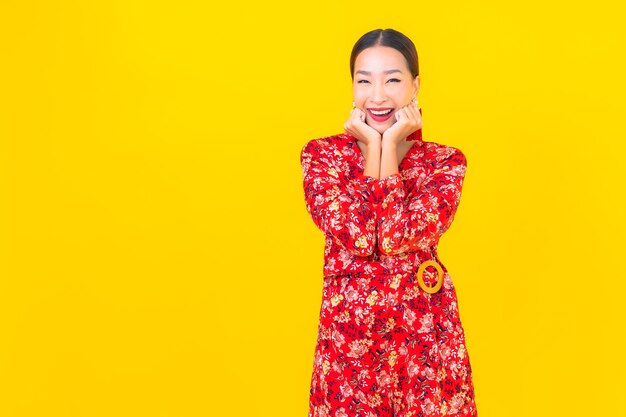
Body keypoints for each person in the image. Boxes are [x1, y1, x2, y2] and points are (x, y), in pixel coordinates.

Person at [299, 28, 478, 417]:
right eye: (364, 81)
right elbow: (362, 238)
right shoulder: (322, 157)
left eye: (392, 80)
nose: (377, 95)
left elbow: (394, 237)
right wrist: (376, 149)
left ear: (415, 85)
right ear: (352, 86)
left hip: (425, 343)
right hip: (348, 347)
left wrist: (390, 145)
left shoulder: (445, 163)